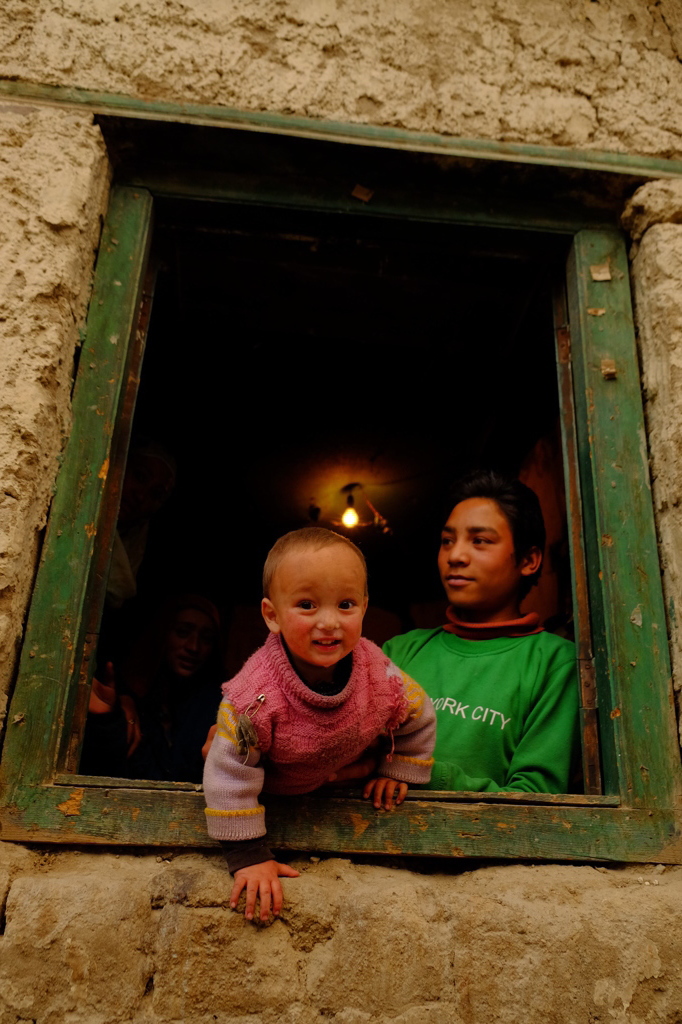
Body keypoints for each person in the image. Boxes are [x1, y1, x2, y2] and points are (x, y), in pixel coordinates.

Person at [203, 527, 436, 922]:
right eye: (307, 605)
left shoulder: (379, 674)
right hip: (274, 796)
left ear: (364, 607)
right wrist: (248, 856)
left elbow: (418, 712)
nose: (329, 622)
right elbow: (229, 773)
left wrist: (400, 767)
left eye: (345, 604)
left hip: (339, 793)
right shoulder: (253, 697)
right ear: (272, 616)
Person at [383, 470, 580, 794]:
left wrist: (420, 773)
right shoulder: (399, 652)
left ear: (529, 560)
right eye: (447, 541)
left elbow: (536, 800)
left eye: (480, 541)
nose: (455, 556)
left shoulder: (555, 664)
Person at [82, 594, 223, 783]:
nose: (194, 647)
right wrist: (109, 719)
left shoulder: (217, 705)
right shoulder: (129, 694)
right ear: (163, 633)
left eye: (206, 638)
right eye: (182, 632)